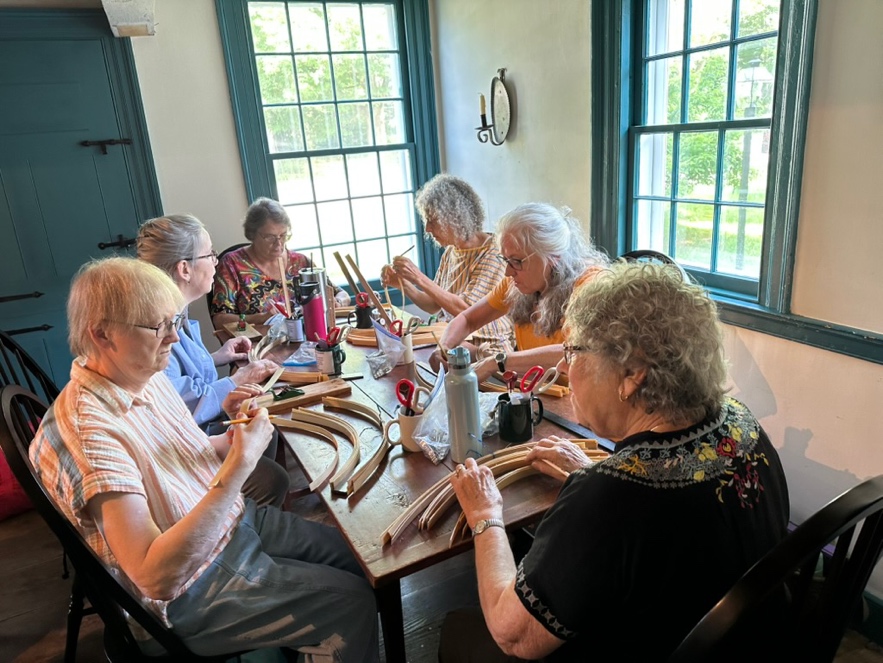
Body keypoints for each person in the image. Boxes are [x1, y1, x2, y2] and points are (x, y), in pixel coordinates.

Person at [30, 257, 378, 660]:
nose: (174, 340)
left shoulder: (139, 372)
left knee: (361, 561)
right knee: (351, 603)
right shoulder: (90, 432)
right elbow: (153, 574)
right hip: (191, 586)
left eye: (174, 322)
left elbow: (182, 453)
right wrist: (238, 467)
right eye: (159, 327)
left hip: (228, 525)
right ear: (103, 335)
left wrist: (230, 440)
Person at [442, 262, 790, 662]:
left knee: (459, 635)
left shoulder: (610, 497)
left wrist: (485, 515)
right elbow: (671, 514)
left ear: (632, 375)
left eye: (574, 352)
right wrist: (590, 475)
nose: (564, 368)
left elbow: (513, 634)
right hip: (755, 642)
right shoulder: (742, 424)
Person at [136, 214, 289, 507]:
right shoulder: (155, 325)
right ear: (184, 269)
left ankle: (244, 511)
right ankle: (238, 527)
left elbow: (182, 373)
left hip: (197, 431)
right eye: (210, 254)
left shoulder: (176, 308)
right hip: (178, 448)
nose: (216, 262)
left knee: (261, 424)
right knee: (273, 477)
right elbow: (181, 404)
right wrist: (237, 379)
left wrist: (219, 356)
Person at [436, 202, 608, 381]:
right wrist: (444, 347)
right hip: (538, 393)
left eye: (517, 261)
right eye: (505, 260)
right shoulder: (516, 283)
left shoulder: (589, 287)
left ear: (553, 256)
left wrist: (497, 362)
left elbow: (577, 351)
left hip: (573, 402)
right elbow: (468, 319)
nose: (508, 272)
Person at [380, 174, 514, 352]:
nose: (427, 228)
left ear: (455, 217)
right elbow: (434, 304)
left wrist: (419, 277)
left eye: (433, 221)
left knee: (423, 356)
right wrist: (404, 285)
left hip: (486, 343)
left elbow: (467, 311)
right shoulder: (452, 251)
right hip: (454, 335)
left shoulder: (493, 252)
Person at [210, 197, 350, 329]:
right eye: (270, 237)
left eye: (283, 235)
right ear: (252, 234)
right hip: (260, 345)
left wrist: (338, 303)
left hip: (308, 339)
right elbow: (220, 319)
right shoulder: (232, 265)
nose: (278, 244)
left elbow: (342, 294)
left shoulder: (301, 262)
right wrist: (260, 318)